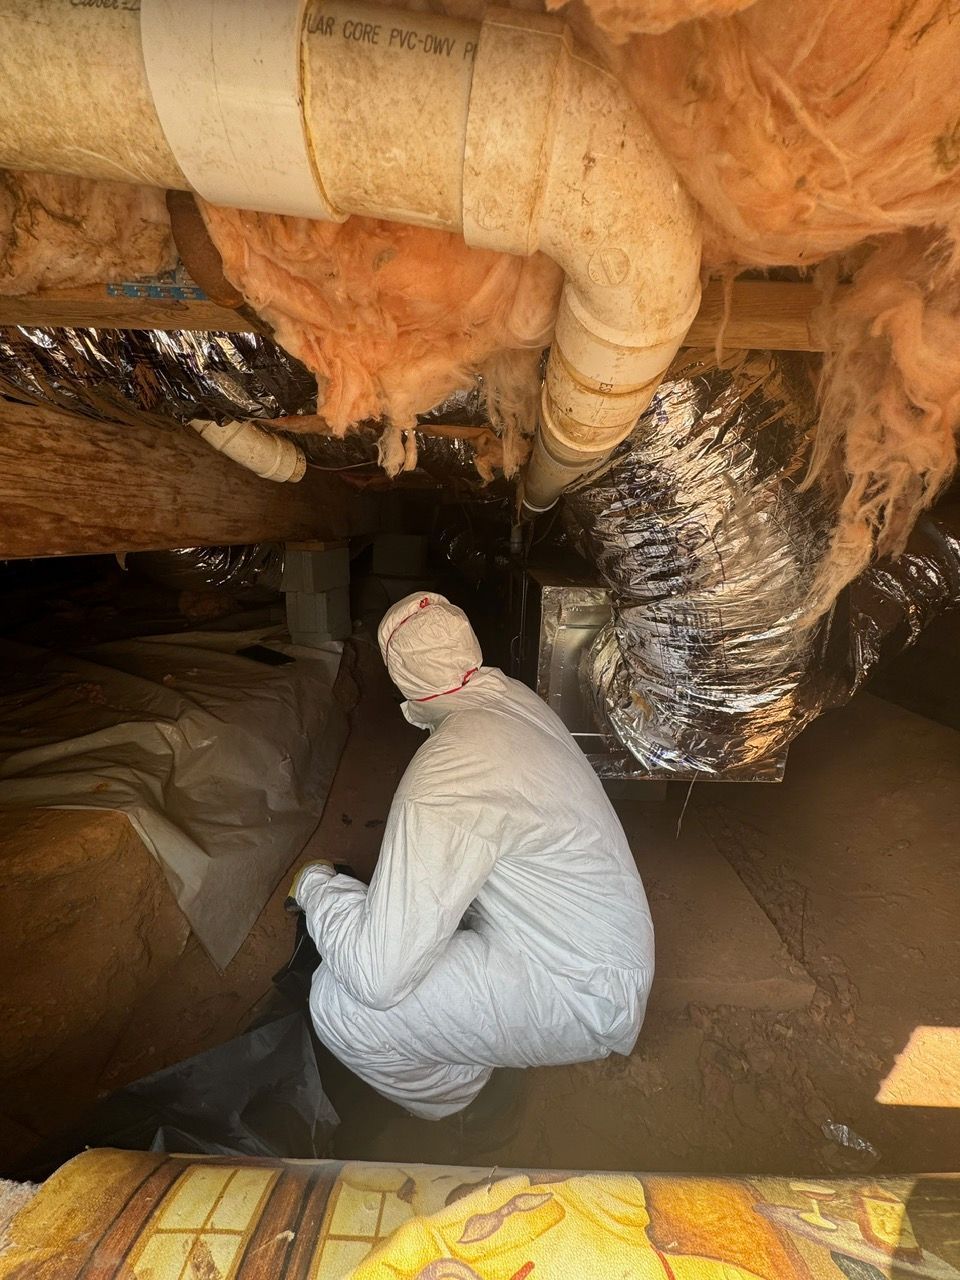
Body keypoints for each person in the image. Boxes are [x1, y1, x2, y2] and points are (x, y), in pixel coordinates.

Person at [288, 591, 654, 1120]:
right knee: (411, 931)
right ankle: (472, 1043)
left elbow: (377, 976)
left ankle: (469, 1103)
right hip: (595, 955)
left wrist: (318, 886)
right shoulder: (514, 699)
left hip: (579, 995)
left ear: (400, 680)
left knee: (341, 1003)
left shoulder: (446, 776)